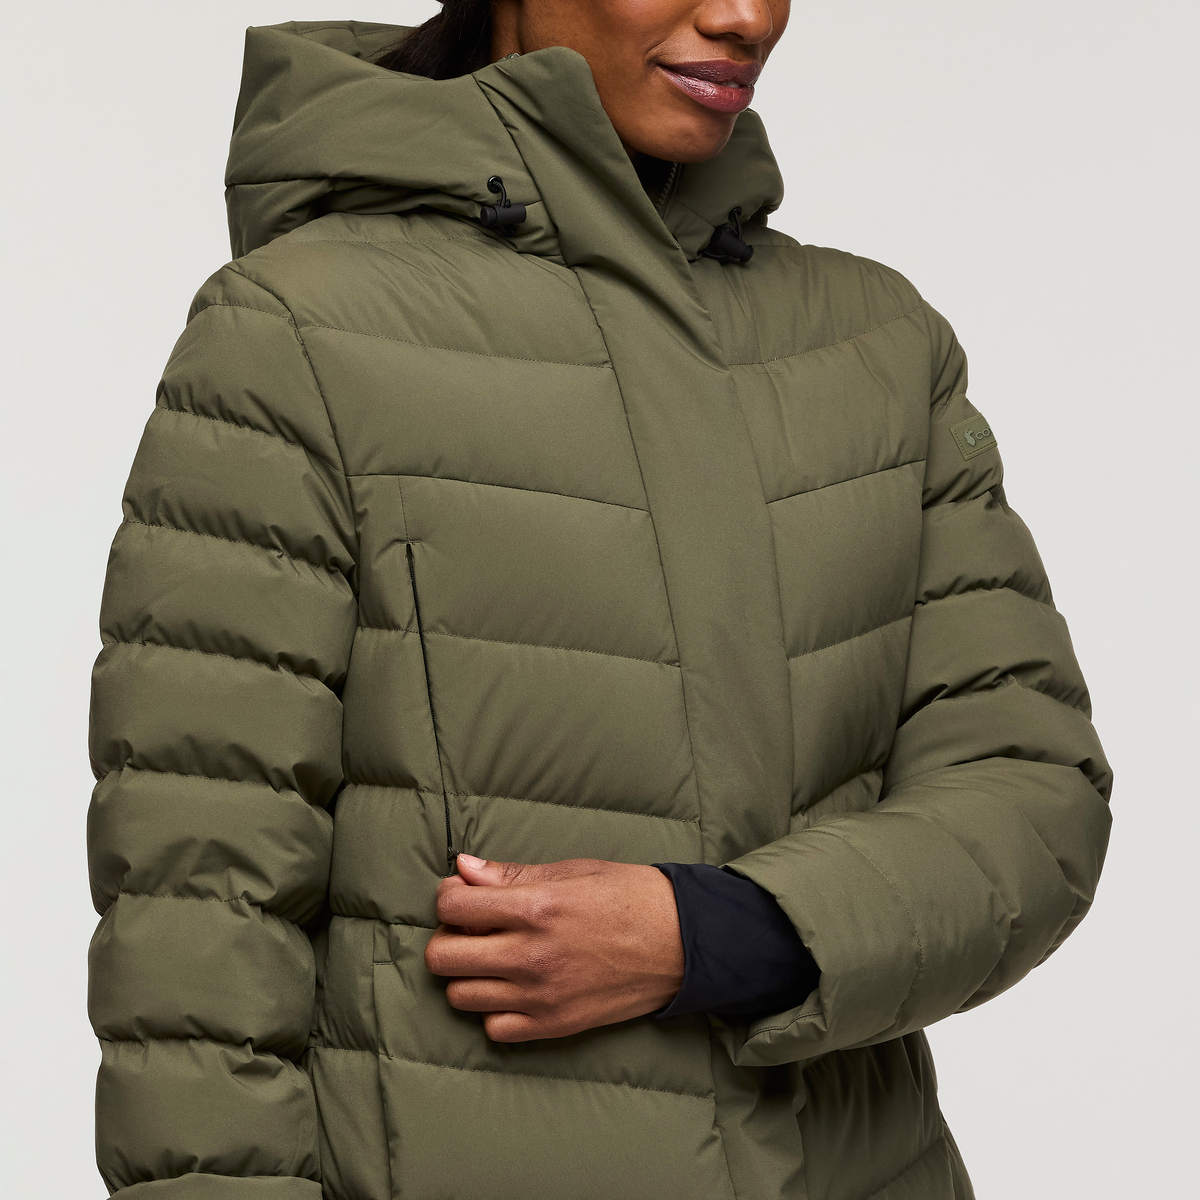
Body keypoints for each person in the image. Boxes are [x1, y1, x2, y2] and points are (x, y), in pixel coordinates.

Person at [86, 4, 1112, 1198]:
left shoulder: (880, 346)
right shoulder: (294, 335)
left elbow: (1033, 798)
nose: (746, 16)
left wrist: (716, 934)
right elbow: (200, 921)